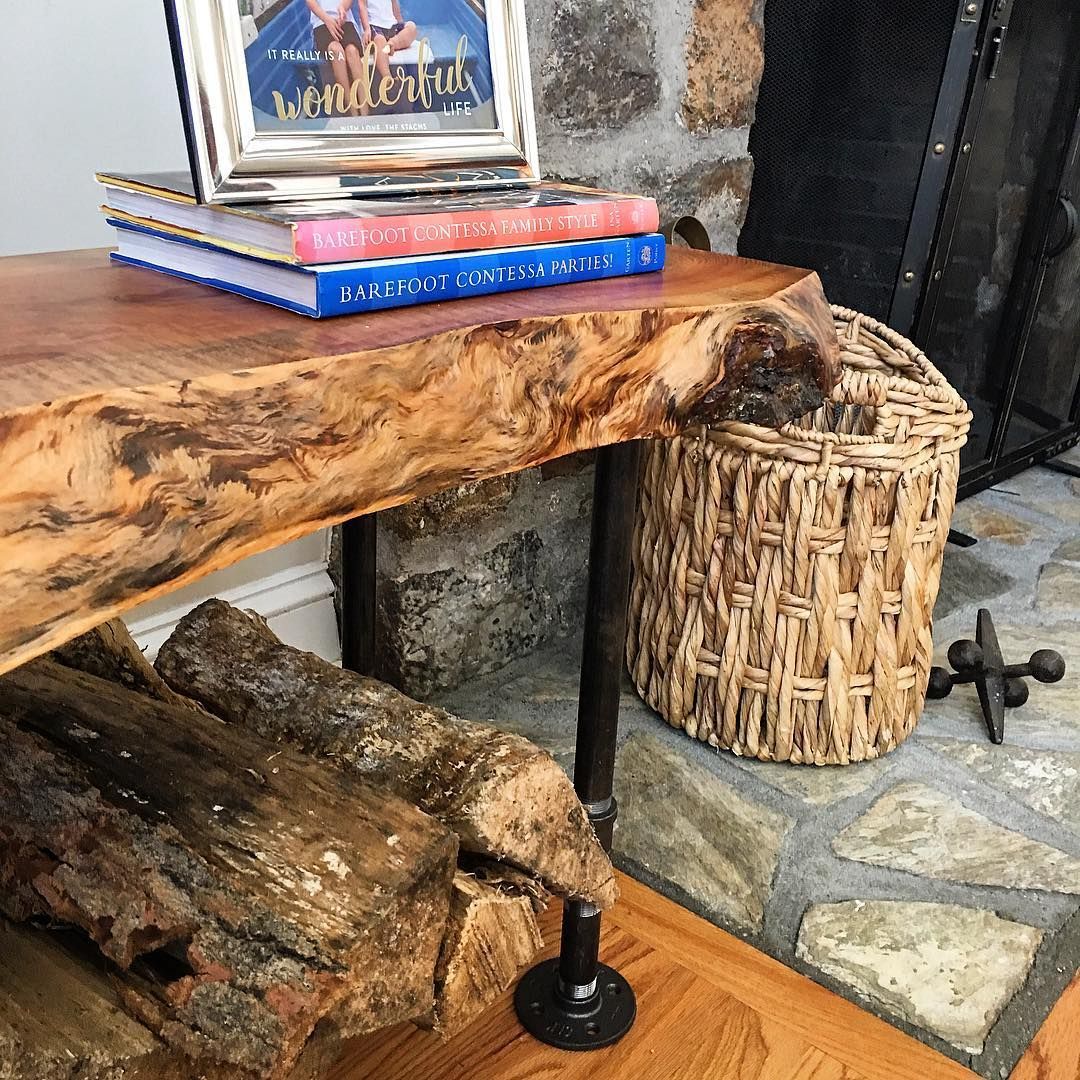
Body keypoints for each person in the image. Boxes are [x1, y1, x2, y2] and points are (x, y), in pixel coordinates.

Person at [306, 0, 366, 116]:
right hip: (322, 23)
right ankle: (352, 111)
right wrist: (326, 19)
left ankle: (365, 112)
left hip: (345, 21)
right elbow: (311, 2)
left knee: (352, 51)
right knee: (336, 50)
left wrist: (343, 8)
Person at [355, 0, 418, 86]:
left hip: (391, 24)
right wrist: (366, 29)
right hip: (374, 25)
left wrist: (400, 23)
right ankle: (387, 77)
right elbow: (362, 6)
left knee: (411, 27)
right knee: (379, 40)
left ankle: (392, 43)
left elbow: (394, 4)